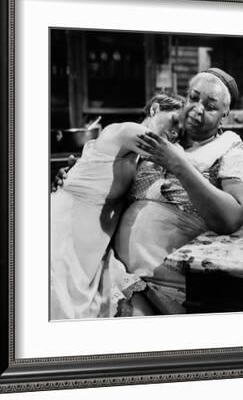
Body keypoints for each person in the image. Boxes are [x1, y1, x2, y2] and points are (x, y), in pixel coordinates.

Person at [54, 68, 243, 315]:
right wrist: (75, 176)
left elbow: (232, 217)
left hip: (172, 284)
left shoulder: (233, 150)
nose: (197, 109)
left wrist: (180, 166)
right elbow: (107, 183)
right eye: (193, 98)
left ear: (225, 113)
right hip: (112, 271)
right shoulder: (159, 144)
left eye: (211, 105)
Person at [50, 93, 185, 320]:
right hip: (64, 231)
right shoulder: (124, 131)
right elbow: (168, 152)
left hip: (92, 245)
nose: (175, 132)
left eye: (180, 131)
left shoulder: (139, 161)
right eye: (174, 121)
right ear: (155, 109)